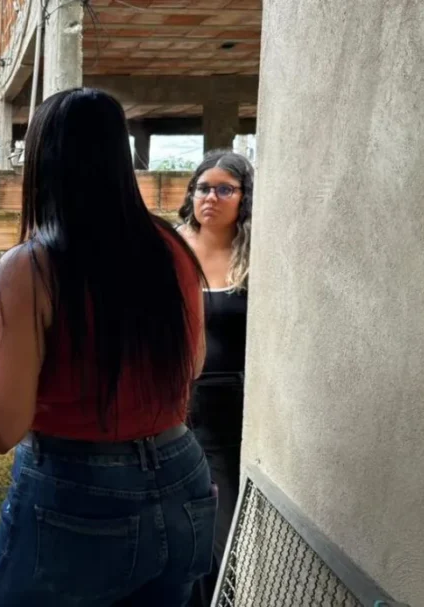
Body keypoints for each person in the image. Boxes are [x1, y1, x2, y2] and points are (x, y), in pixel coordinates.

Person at [0, 88, 215, 607]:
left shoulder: (30, 268)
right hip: (182, 475)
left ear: (42, 162)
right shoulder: (172, 248)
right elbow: (191, 366)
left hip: (76, 489)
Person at [178, 150, 253, 606]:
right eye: (204, 188)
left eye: (225, 189)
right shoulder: (172, 249)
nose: (211, 197)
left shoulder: (255, 254)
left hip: (238, 409)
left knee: (223, 532)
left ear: (244, 198)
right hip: (179, 403)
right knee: (188, 529)